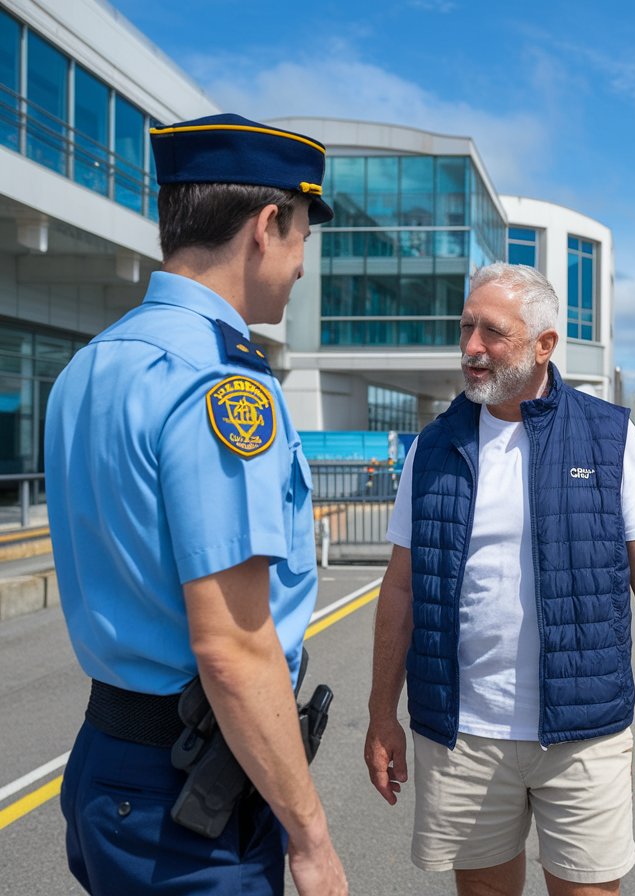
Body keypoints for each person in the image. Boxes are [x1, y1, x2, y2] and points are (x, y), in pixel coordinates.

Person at [45, 114, 347, 895]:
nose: (303, 265)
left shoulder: (90, 365)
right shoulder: (223, 384)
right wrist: (310, 838)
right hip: (186, 800)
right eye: (304, 236)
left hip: (109, 762)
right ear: (267, 224)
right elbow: (233, 647)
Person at [364, 262, 635, 895]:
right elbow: (399, 588)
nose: (471, 349)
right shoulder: (433, 448)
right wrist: (380, 715)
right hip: (464, 735)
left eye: (492, 332)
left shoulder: (610, 438)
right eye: (465, 329)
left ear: (544, 346)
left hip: (583, 735)